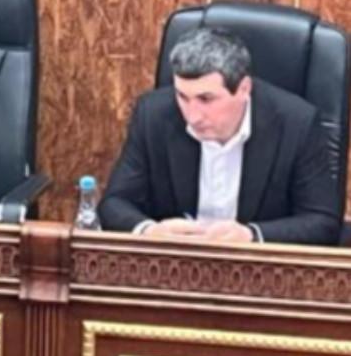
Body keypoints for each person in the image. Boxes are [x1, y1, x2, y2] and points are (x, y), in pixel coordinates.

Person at [99, 27, 342, 245]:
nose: (193, 116)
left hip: (258, 268)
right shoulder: (153, 114)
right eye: (182, 96)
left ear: (244, 89)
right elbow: (114, 203)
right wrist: (150, 231)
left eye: (206, 99)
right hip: (175, 265)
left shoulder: (297, 123)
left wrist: (252, 235)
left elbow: (323, 222)